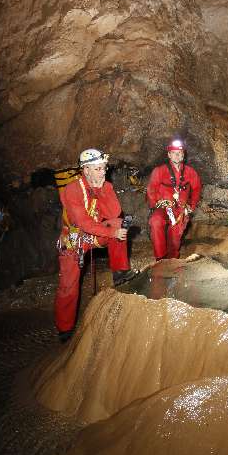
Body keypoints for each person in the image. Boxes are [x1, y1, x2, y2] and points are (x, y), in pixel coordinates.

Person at [54, 148, 135, 342]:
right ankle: (65, 328)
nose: (103, 172)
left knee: (118, 223)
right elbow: (82, 222)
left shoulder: (106, 186)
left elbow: (114, 213)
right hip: (75, 238)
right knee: (68, 285)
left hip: (96, 233)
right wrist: (111, 233)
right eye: (98, 169)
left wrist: (101, 190)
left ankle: (120, 272)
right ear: (86, 170)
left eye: (104, 168)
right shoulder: (72, 190)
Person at [146, 139, 202, 260]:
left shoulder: (190, 172)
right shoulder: (159, 171)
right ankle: (160, 258)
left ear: (183, 155)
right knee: (156, 221)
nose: (177, 155)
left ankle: (172, 259)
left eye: (180, 153)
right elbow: (151, 189)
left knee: (175, 232)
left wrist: (191, 206)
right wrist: (156, 203)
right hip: (164, 207)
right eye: (174, 153)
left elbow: (197, 189)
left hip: (180, 209)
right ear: (169, 155)